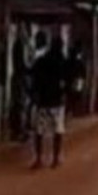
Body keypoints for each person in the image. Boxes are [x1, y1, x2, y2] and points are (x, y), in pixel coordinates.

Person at [30, 31, 69, 169]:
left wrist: (34, 95)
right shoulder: (63, 61)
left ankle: (39, 159)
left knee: (39, 131)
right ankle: (55, 159)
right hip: (57, 101)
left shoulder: (42, 60)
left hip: (43, 100)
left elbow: (34, 78)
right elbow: (67, 81)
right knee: (58, 130)